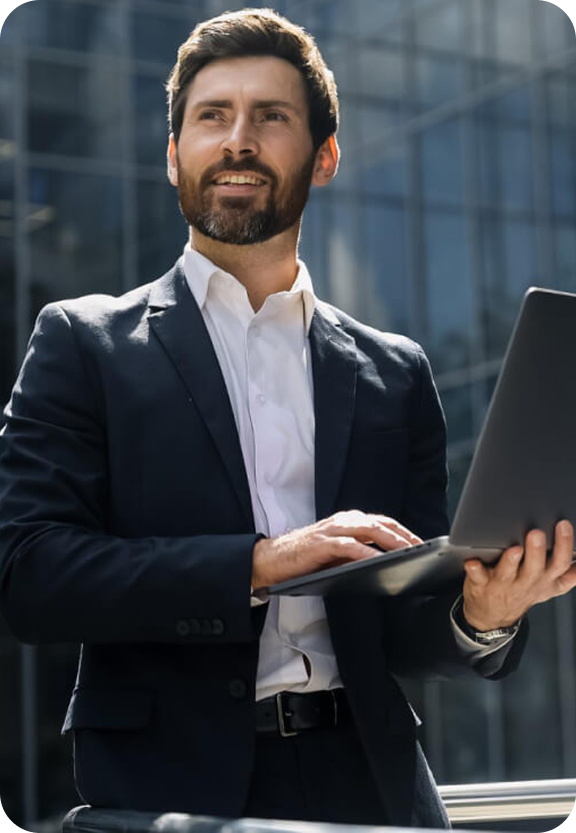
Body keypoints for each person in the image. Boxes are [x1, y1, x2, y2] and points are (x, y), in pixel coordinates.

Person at [1, 7, 575, 829]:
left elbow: (404, 621)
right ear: (173, 157)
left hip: (376, 789)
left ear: (325, 155)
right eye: (212, 116)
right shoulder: (82, 343)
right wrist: (264, 563)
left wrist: (483, 614)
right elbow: (28, 575)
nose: (239, 140)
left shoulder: (395, 371)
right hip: (174, 793)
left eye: (271, 117)